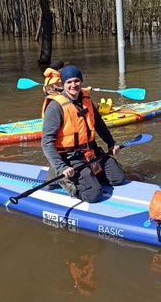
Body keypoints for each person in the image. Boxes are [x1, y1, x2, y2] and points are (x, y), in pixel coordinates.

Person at [41, 65, 125, 203]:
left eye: (76, 81)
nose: (73, 85)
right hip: (70, 158)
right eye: (69, 82)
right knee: (93, 195)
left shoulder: (87, 101)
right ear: (63, 84)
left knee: (118, 178)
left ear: (81, 82)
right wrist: (62, 166)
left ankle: (89, 176)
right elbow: (47, 142)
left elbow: (99, 125)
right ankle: (60, 176)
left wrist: (111, 143)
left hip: (91, 152)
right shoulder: (55, 107)